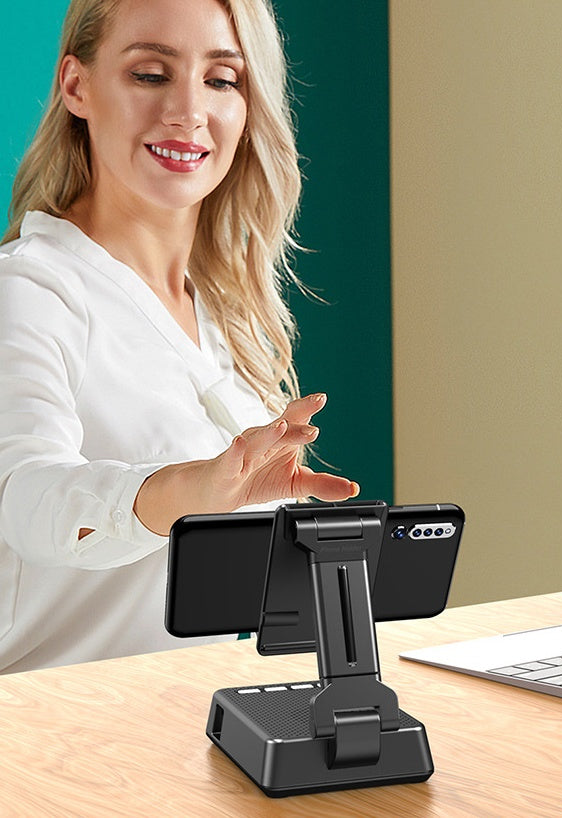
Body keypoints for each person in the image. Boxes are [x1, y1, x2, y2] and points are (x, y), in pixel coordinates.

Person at [0, 0, 359, 674]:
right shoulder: (28, 288)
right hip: (43, 725)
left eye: (221, 80)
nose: (188, 111)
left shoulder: (226, 314)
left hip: (184, 718)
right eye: (150, 74)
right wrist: (186, 494)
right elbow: (23, 499)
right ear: (77, 86)